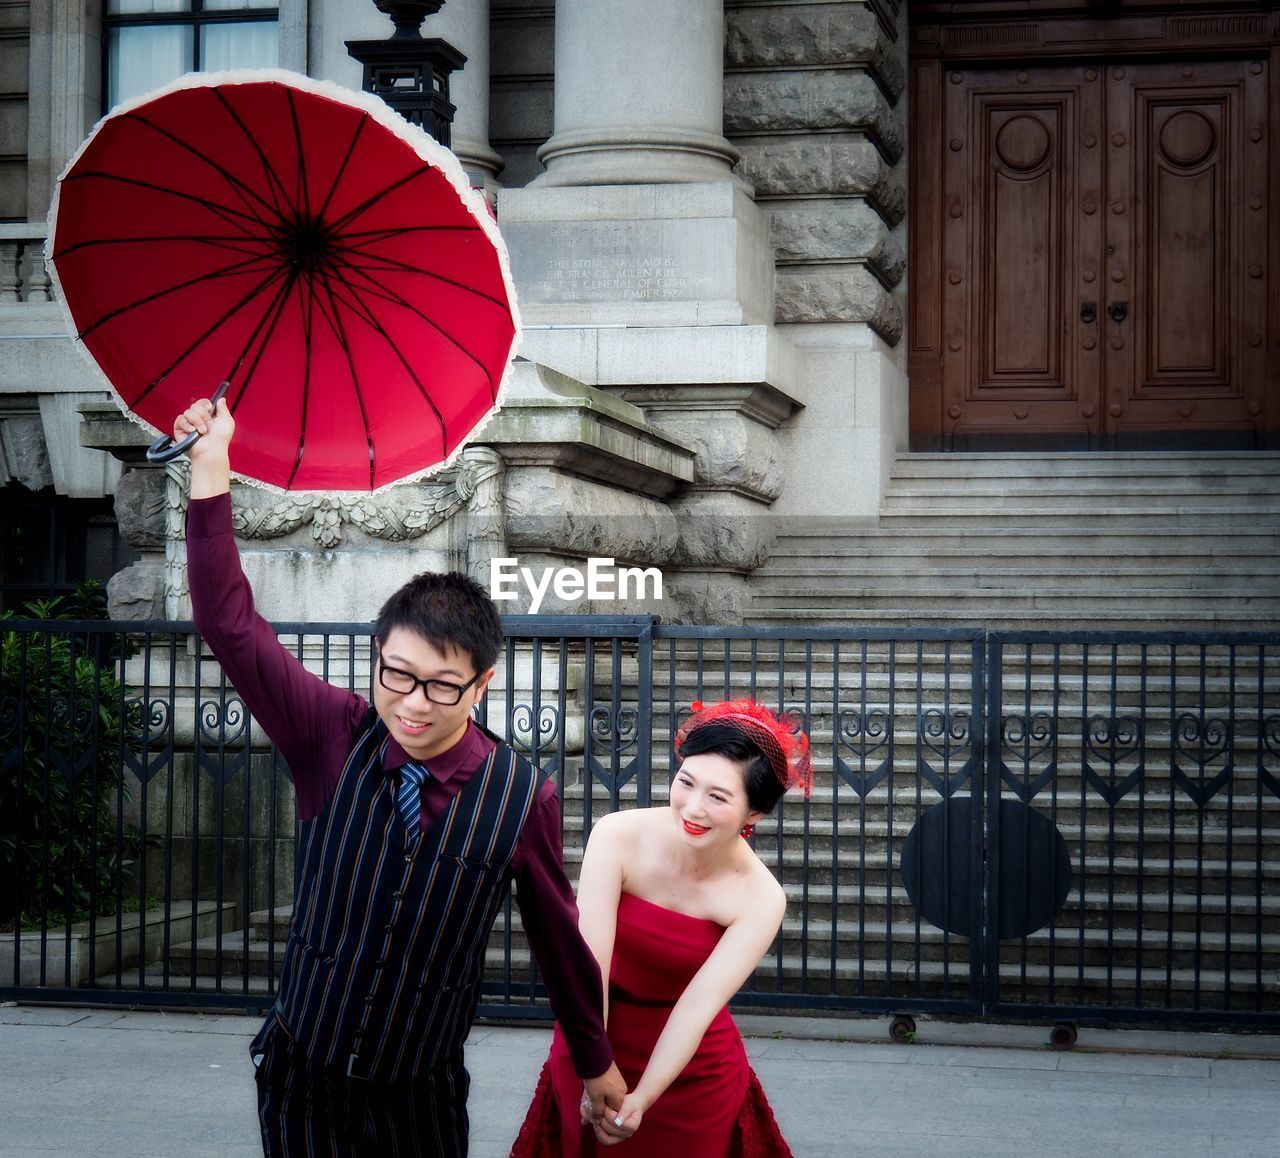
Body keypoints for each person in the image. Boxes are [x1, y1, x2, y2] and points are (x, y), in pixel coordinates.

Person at [172, 394, 626, 1157]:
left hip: (421, 1091)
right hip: (304, 1073)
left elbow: (558, 939)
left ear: (481, 685)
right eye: (397, 676)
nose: (413, 705)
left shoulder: (520, 797)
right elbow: (230, 623)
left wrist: (596, 1062)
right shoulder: (330, 733)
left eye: (442, 686)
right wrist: (211, 467)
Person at [510, 699, 810, 1156]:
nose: (692, 807)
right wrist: (595, 1070)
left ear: (754, 815)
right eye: (686, 782)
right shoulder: (617, 835)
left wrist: (642, 1098)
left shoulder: (760, 897)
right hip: (592, 1036)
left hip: (691, 1074)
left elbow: (697, 1008)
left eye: (718, 796)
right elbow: (588, 965)